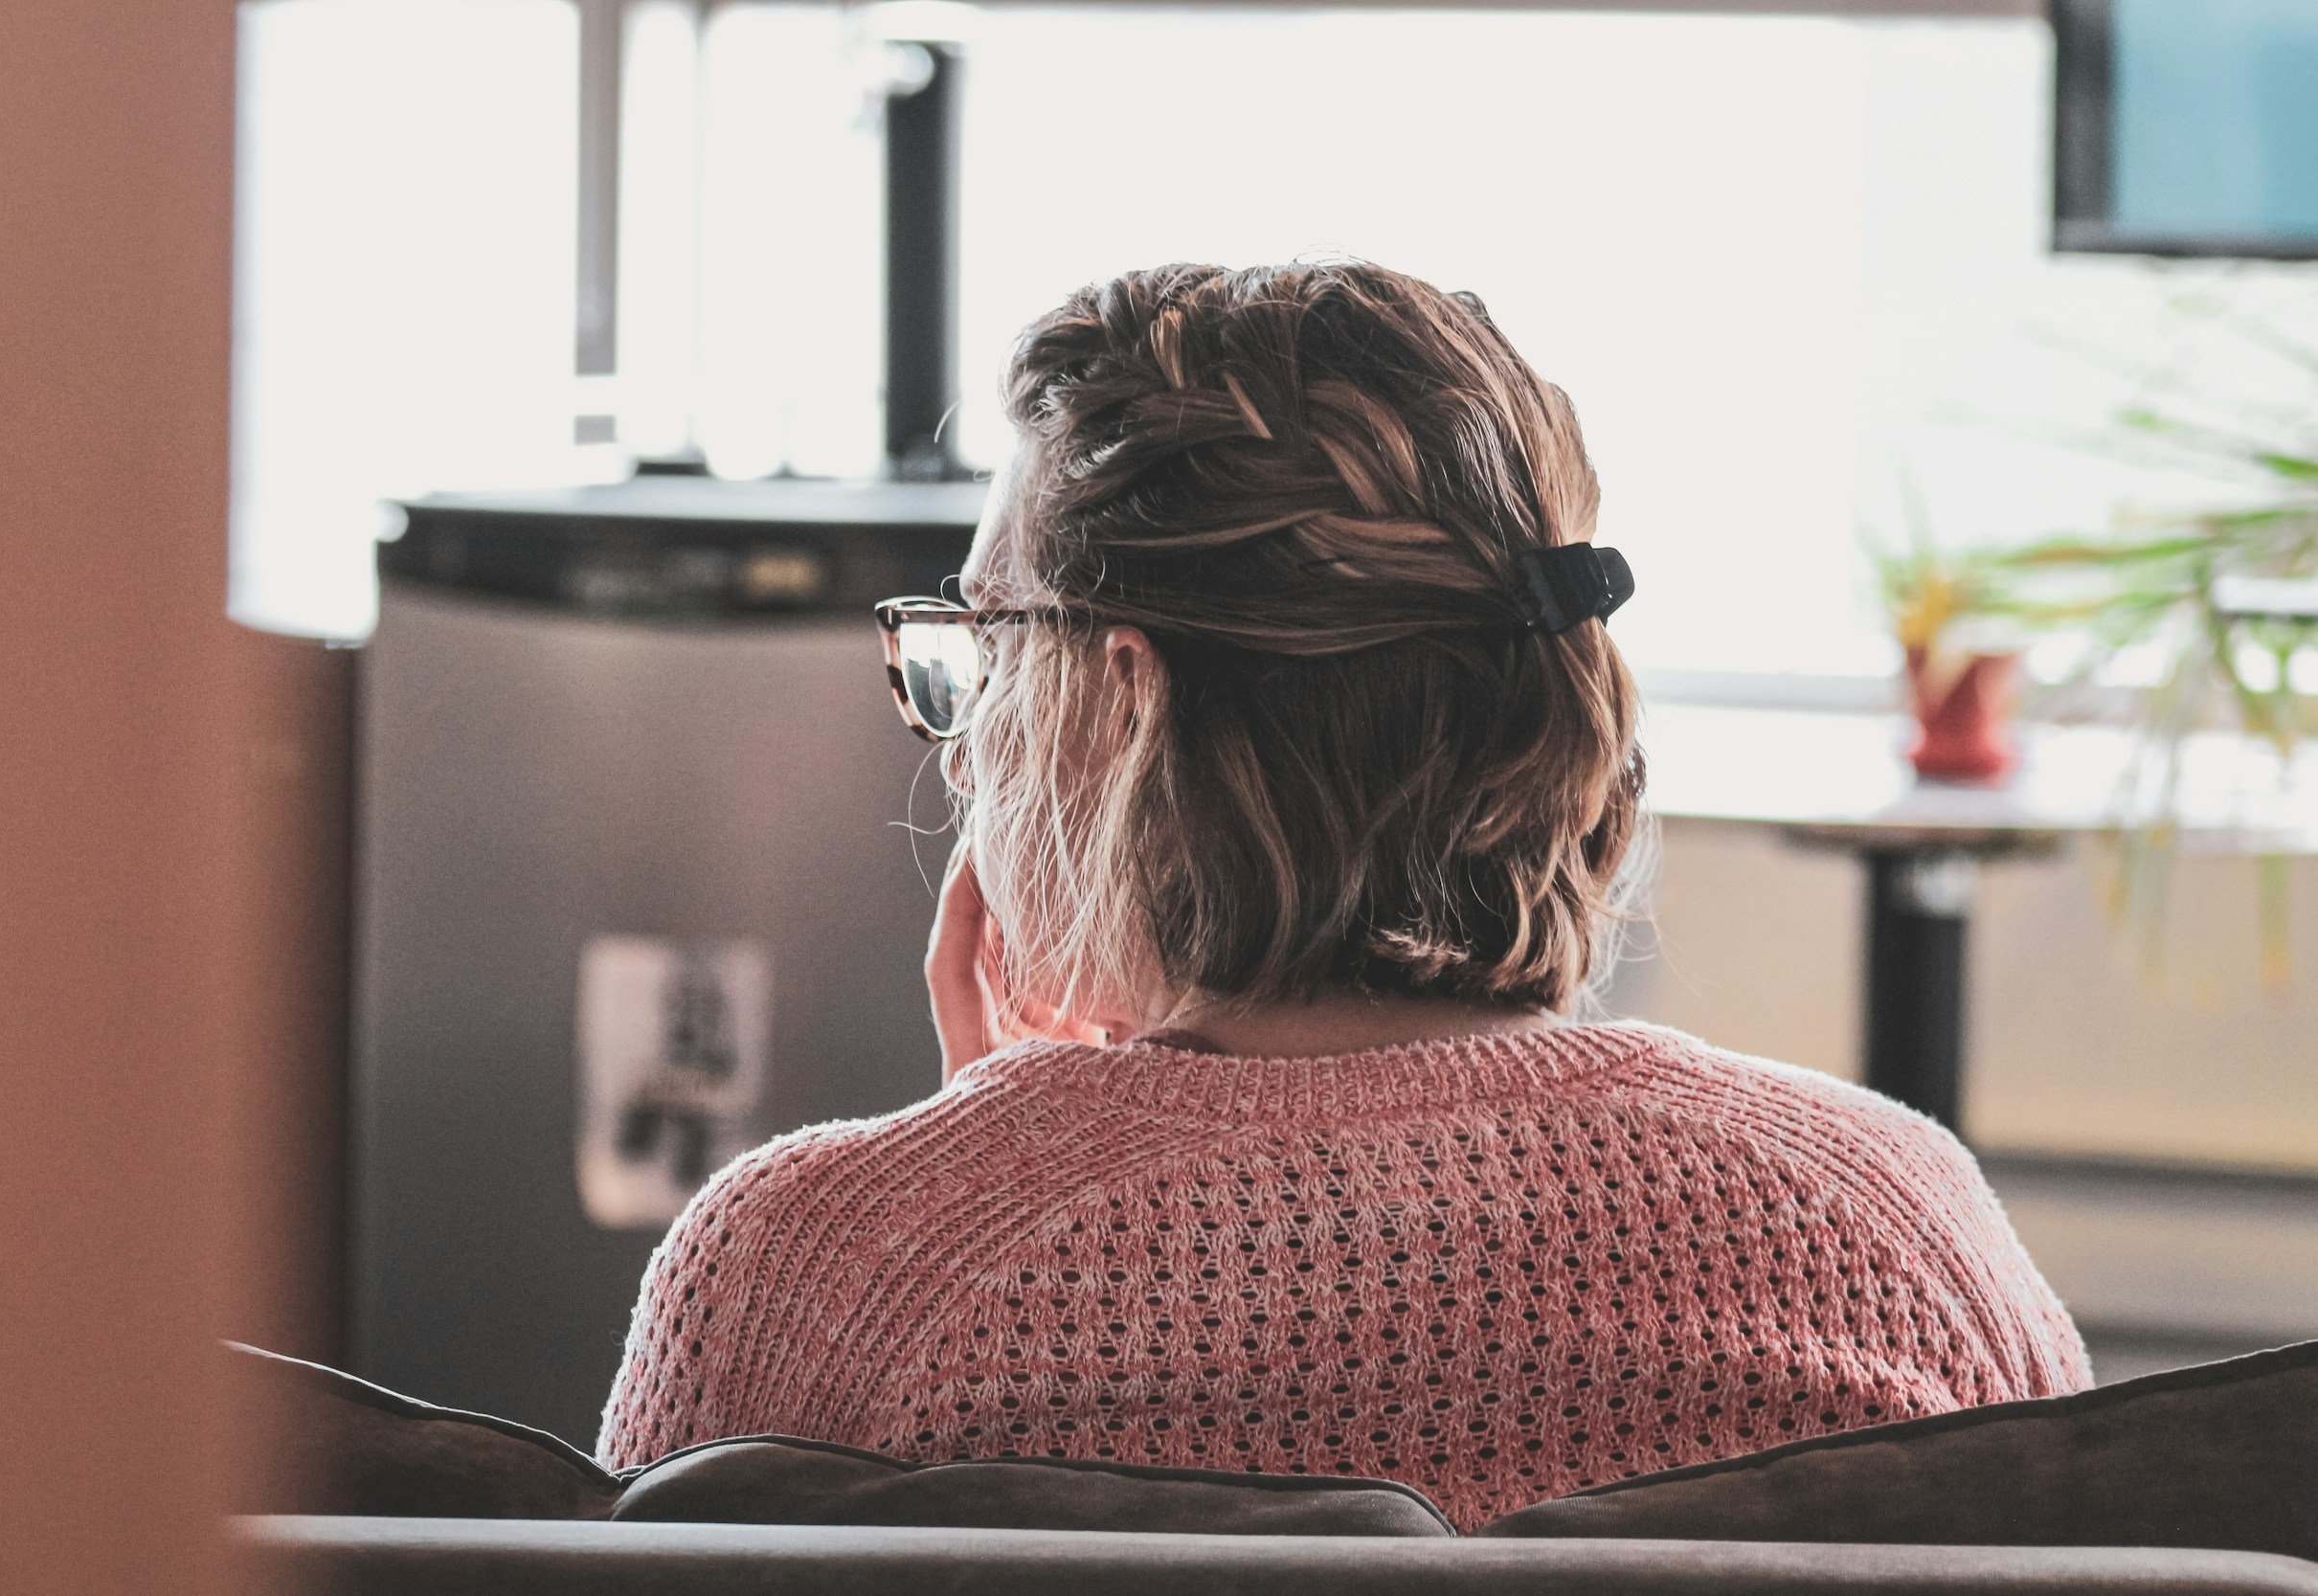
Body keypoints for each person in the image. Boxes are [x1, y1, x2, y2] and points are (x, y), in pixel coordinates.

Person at [597, 260, 2089, 1529]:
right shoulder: (1895, 1224)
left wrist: (962, 1191)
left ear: (1123, 708)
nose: (968, 729)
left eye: (989, 641)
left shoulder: (816, 1268)